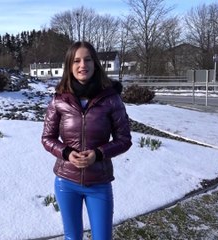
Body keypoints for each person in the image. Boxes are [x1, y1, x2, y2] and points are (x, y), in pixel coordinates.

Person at [41, 41, 132, 240]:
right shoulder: (59, 99)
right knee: (72, 238)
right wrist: (66, 153)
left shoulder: (111, 98)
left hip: (99, 183)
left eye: (87, 59)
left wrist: (98, 154)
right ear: (69, 66)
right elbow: (47, 138)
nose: (83, 65)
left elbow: (124, 139)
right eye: (77, 61)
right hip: (66, 182)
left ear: (95, 63)